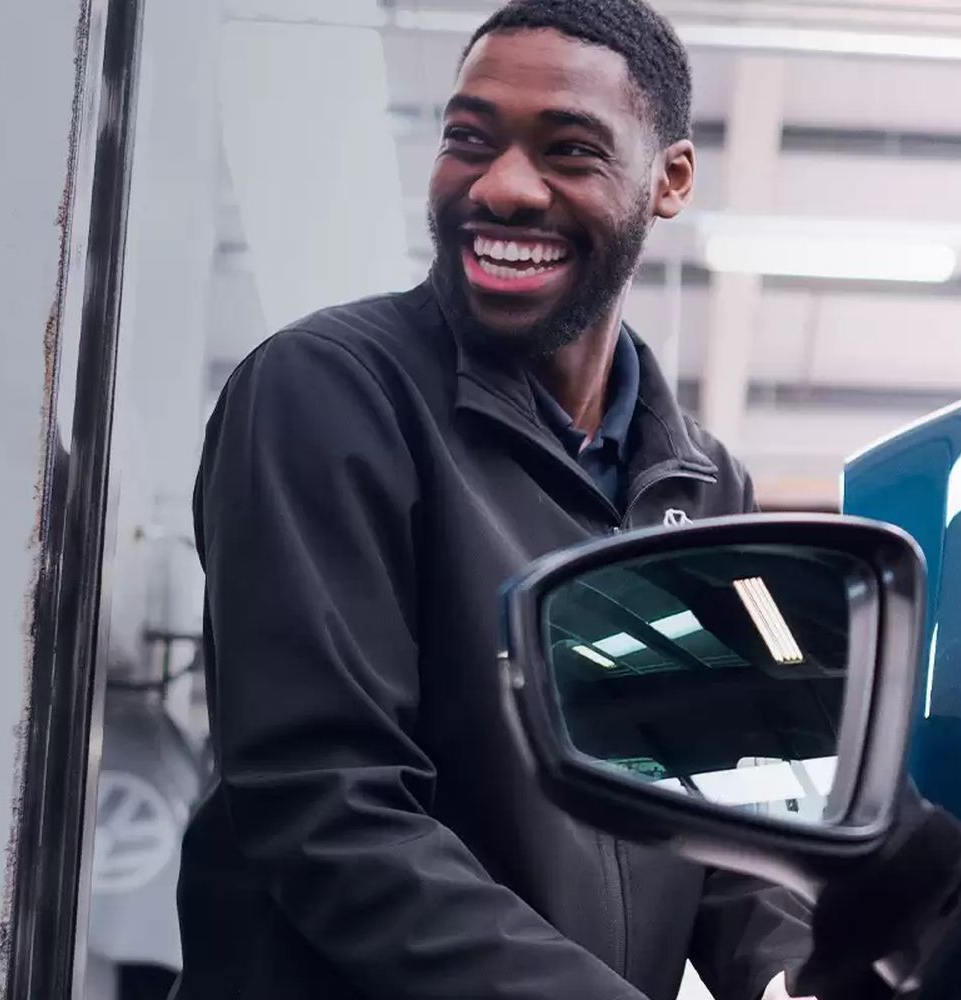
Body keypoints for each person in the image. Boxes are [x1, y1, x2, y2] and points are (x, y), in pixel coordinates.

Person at [171, 1, 816, 998]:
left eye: (569, 150)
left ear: (669, 179)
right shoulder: (332, 394)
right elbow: (327, 809)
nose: (504, 187)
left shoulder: (699, 486)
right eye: (469, 138)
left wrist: (790, 976)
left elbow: (730, 820)